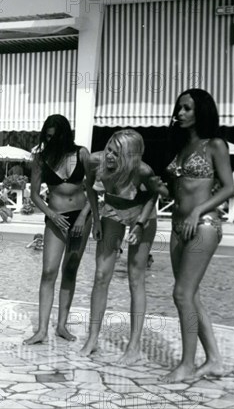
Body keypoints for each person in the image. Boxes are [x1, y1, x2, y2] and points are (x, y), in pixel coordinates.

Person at [160, 88, 234, 382]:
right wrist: (157, 188)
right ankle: (214, 360)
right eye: (179, 108)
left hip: (202, 224)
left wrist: (196, 211)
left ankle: (187, 364)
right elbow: (179, 190)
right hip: (178, 226)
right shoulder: (182, 147)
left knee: (181, 294)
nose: (180, 113)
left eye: (187, 108)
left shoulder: (214, 145)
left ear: (201, 111)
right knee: (191, 296)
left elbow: (229, 188)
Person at [79, 129, 160, 365]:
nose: (110, 156)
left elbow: (153, 196)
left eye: (117, 153)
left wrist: (140, 225)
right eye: (109, 150)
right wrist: (95, 219)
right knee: (101, 274)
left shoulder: (143, 171)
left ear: (130, 156)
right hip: (112, 210)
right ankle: (92, 338)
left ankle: (133, 347)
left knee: (136, 278)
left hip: (141, 214)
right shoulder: (94, 161)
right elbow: (89, 187)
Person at [23, 114, 93, 345]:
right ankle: (42, 329)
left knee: (70, 269)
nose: (51, 140)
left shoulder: (82, 153)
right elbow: (34, 194)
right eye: (48, 136)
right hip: (56, 217)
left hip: (80, 218)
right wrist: (51, 214)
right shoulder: (41, 159)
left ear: (65, 135)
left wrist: (84, 216)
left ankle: (61, 325)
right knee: (48, 271)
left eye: (55, 136)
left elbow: (93, 190)